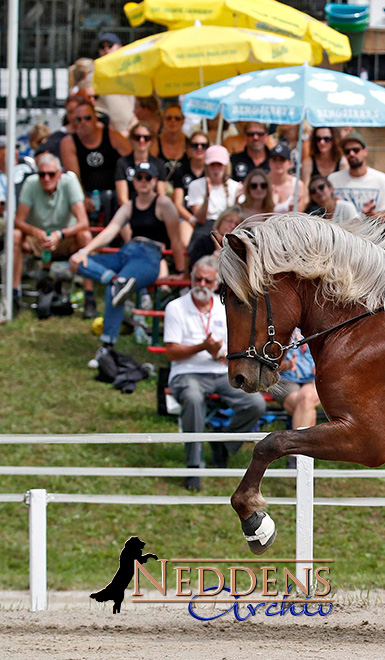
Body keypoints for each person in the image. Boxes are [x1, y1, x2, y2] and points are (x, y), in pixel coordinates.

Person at [165, 256, 266, 491]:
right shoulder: (176, 307)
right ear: (191, 279)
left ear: (215, 283)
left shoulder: (223, 308)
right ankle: (193, 465)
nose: (201, 284)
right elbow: (171, 352)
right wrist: (202, 347)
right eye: (198, 279)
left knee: (256, 404)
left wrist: (221, 354)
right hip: (187, 372)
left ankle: (223, 444)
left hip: (219, 370)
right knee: (191, 398)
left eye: (207, 280)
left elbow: (235, 345)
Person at [70, 161, 184, 356]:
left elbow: (176, 240)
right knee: (76, 261)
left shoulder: (164, 203)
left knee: (114, 289)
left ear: (155, 181)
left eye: (148, 177)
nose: (143, 181)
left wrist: (182, 272)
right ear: (133, 181)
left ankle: (107, 346)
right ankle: (115, 281)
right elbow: (111, 229)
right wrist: (85, 250)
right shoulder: (130, 205)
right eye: (139, 177)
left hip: (149, 255)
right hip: (127, 252)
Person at [10, 153, 96, 317]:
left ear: (59, 173)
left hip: (65, 239)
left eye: (51, 174)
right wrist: (35, 232)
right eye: (42, 174)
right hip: (38, 240)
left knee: (85, 236)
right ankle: (14, 294)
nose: (46, 178)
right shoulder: (30, 183)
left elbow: (83, 222)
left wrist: (60, 234)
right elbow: (18, 221)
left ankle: (89, 296)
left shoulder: (70, 182)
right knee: (15, 235)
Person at [60, 101, 129, 220]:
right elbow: (73, 177)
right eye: (79, 119)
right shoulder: (69, 143)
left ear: (95, 119)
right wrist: (83, 197)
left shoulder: (113, 137)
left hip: (114, 192)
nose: (83, 123)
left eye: (87, 118)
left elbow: (131, 161)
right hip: (87, 192)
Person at [270, 328, 321, 464]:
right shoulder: (277, 326)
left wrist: (321, 363)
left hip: (313, 378)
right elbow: (266, 364)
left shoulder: (312, 322)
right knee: (306, 407)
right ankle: (304, 460)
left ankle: (294, 456)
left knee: (306, 399)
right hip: (285, 379)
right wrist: (286, 365)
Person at [328, 131, 385, 216]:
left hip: (370, 229)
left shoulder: (382, 180)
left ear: (365, 151)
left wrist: (370, 214)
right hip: (341, 228)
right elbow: (327, 214)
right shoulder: (333, 179)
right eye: (347, 151)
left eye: (356, 150)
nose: (351, 154)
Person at [185, 145, 239, 249]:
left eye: (219, 165)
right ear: (206, 166)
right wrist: (207, 198)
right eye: (212, 165)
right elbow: (200, 219)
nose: (216, 169)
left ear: (226, 166)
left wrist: (237, 200)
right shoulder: (195, 185)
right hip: (206, 227)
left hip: (230, 227)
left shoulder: (235, 187)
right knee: (201, 239)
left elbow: (238, 217)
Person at [94, 33, 135, 136]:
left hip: (132, 133)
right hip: (108, 136)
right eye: (102, 47)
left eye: (110, 45)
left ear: (120, 48)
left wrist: (132, 128)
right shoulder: (96, 75)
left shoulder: (132, 72)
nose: (106, 49)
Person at [114, 123, 165, 205]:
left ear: (152, 140)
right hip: (128, 210)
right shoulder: (122, 163)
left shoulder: (159, 164)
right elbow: (122, 198)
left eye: (146, 138)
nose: (142, 140)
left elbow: (161, 195)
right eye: (137, 137)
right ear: (130, 139)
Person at [170, 131, 209, 227]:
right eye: (195, 145)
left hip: (209, 215)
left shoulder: (213, 169)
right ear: (188, 147)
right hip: (187, 217)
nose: (199, 148)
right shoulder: (180, 170)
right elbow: (178, 203)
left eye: (203, 145)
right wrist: (191, 219)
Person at [265, 143, 308, 213]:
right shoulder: (261, 183)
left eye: (282, 160)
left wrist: (293, 208)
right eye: (274, 159)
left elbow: (299, 213)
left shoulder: (297, 185)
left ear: (290, 163)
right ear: (269, 162)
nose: (278, 163)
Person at [157, 103, 188, 184]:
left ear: (183, 121)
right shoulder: (155, 142)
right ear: (163, 120)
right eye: (169, 118)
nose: (173, 121)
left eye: (177, 118)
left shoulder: (190, 143)